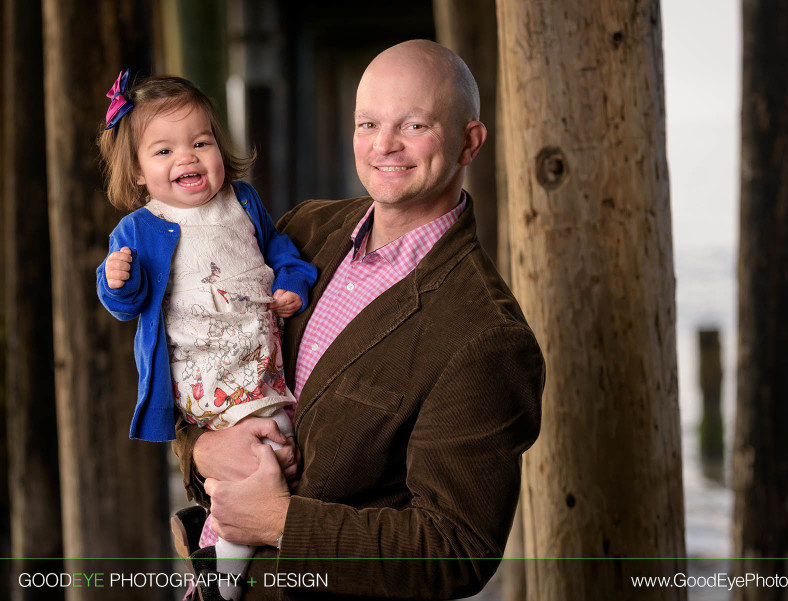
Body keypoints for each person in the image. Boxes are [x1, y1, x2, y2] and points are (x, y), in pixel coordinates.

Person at [173, 39, 544, 600]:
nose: (385, 145)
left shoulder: (485, 335)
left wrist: (278, 521)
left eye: (414, 125)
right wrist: (199, 449)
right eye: (368, 123)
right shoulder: (301, 232)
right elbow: (209, 355)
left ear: (470, 141)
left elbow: (454, 550)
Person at [96, 70, 317, 601]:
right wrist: (116, 279)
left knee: (278, 453)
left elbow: (278, 248)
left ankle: (212, 538)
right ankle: (223, 582)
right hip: (203, 376)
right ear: (138, 171)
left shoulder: (241, 201)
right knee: (262, 460)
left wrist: (292, 279)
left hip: (258, 361)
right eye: (164, 151)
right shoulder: (141, 227)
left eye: (200, 142)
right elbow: (127, 303)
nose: (187, 159)